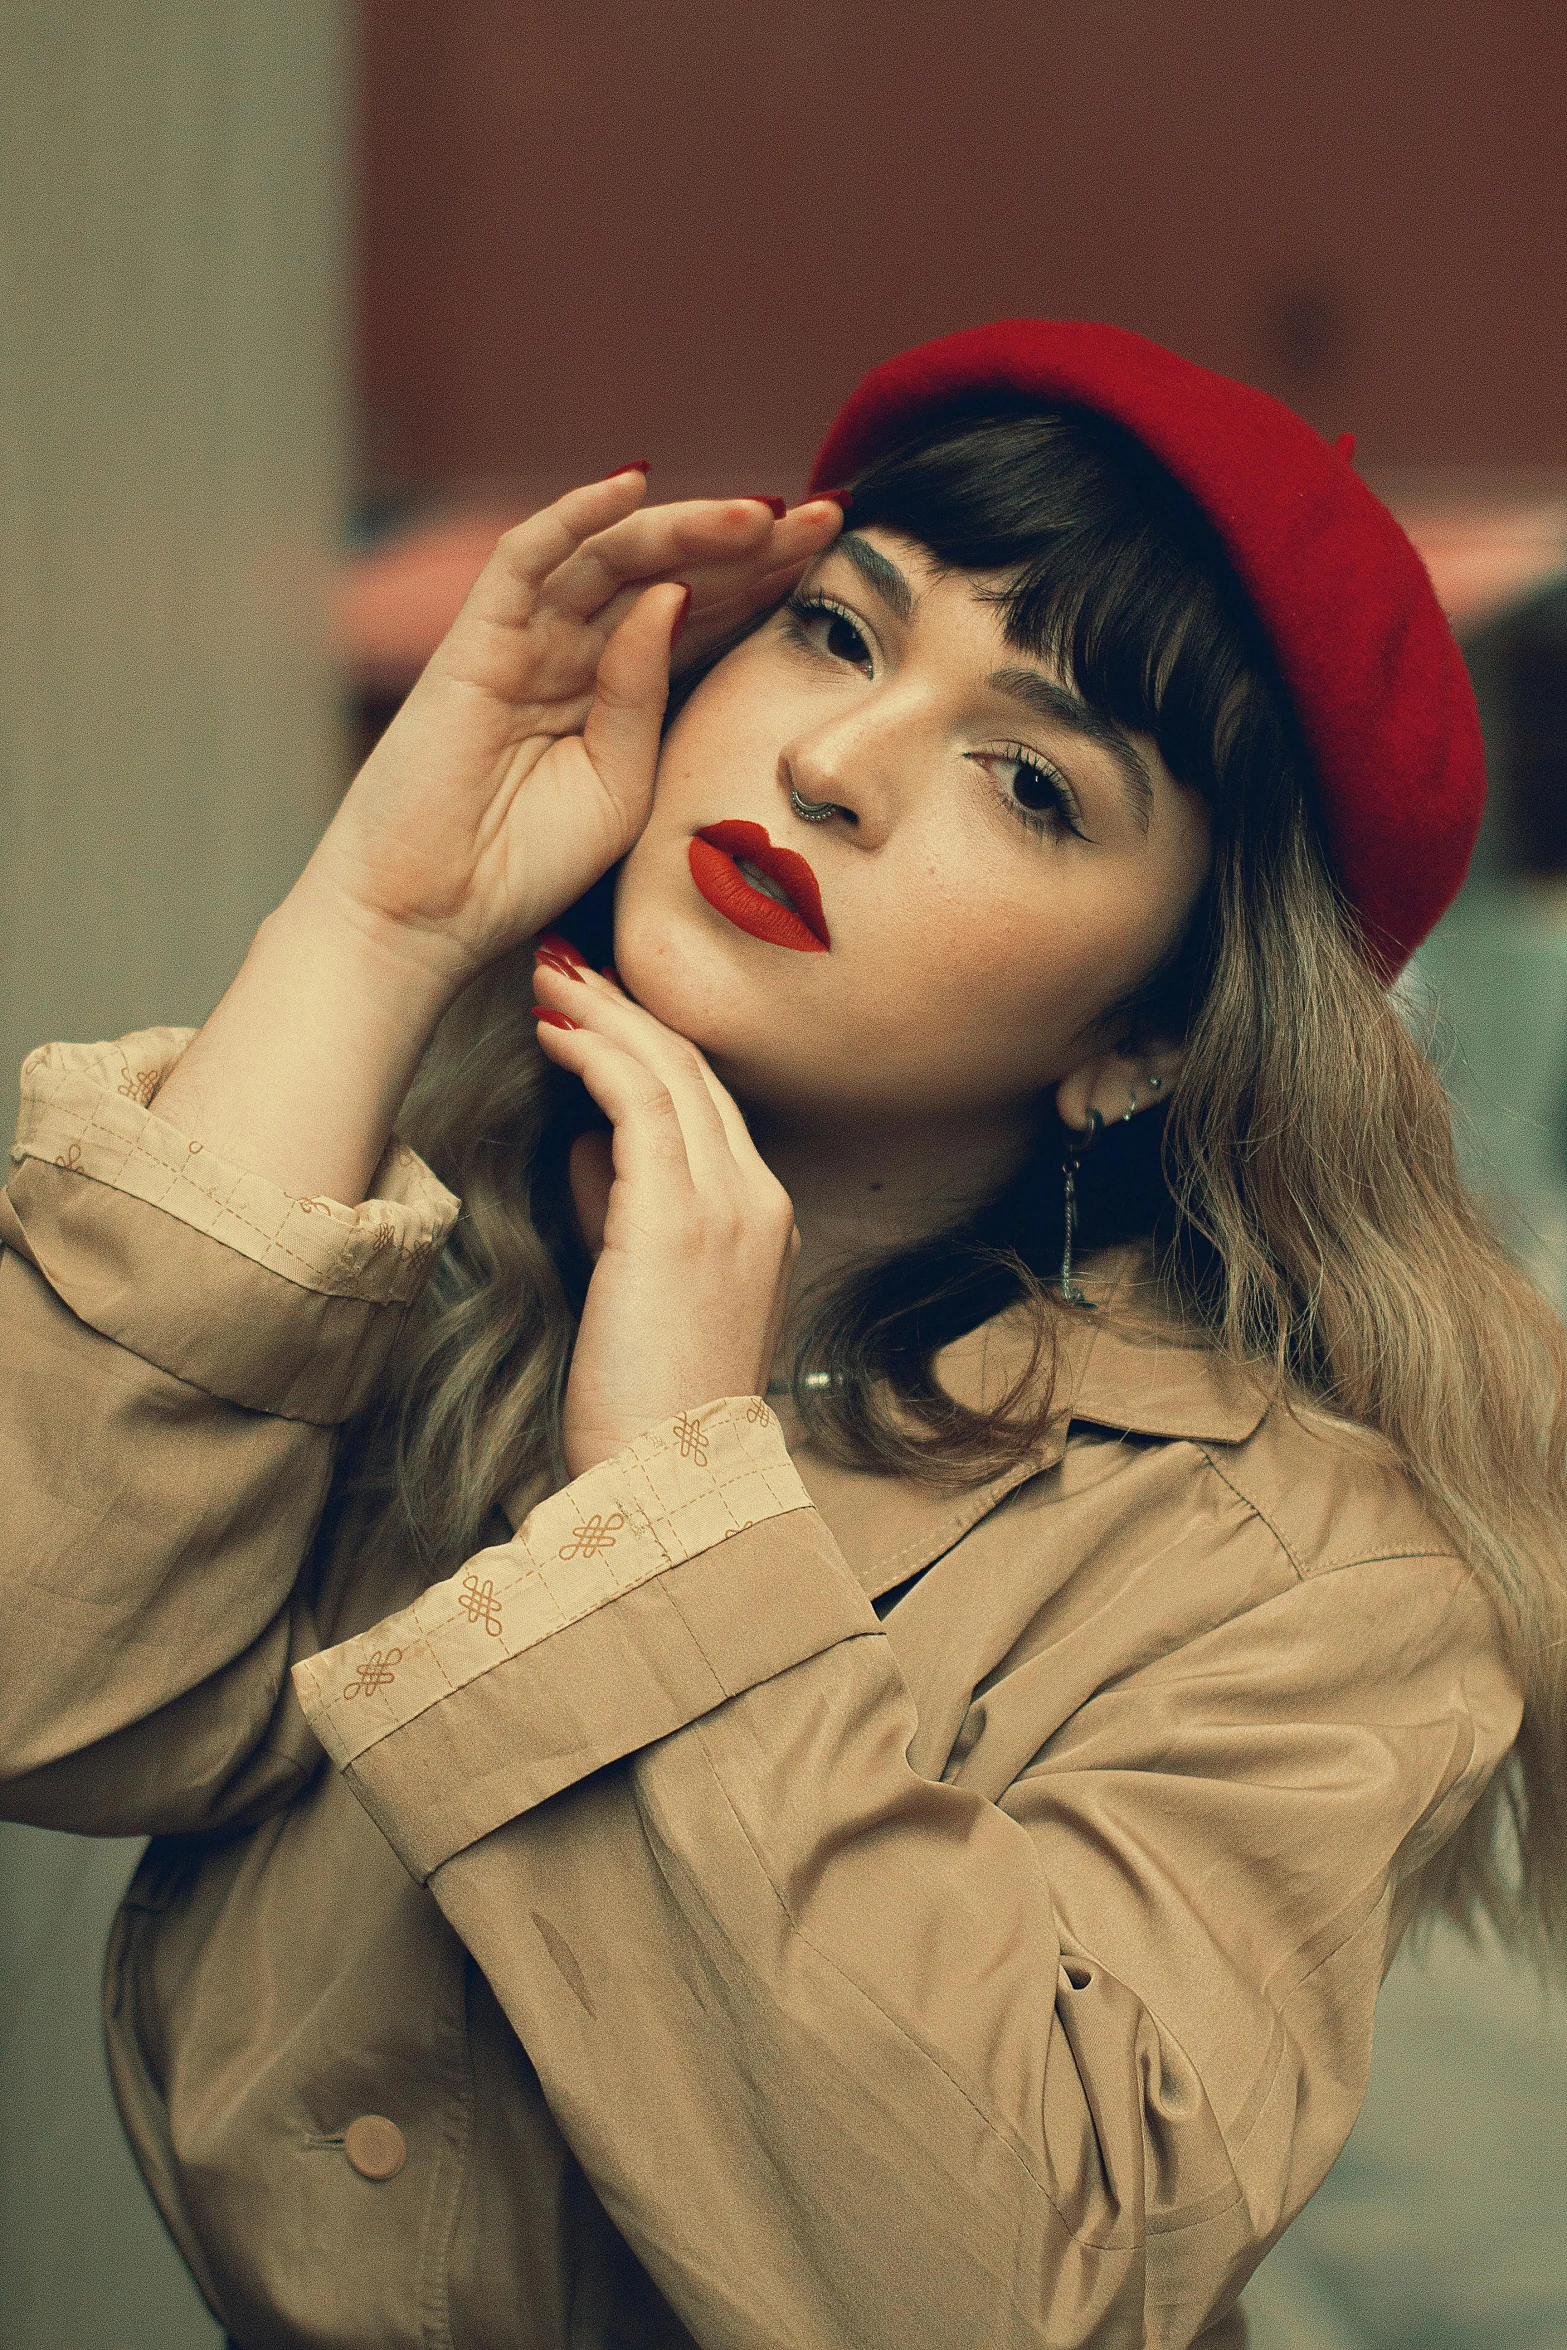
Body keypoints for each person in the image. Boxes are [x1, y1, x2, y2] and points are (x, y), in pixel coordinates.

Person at [1, 321, 1562, 2350]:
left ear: (1142, 1038)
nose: (835, 760)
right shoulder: (428, 1252)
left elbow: (1001, 2292)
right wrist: (374, 922)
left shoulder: (1306, 1561)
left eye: (1029, 776)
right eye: (837, 630)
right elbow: (47, 1690)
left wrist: (667, 1501)